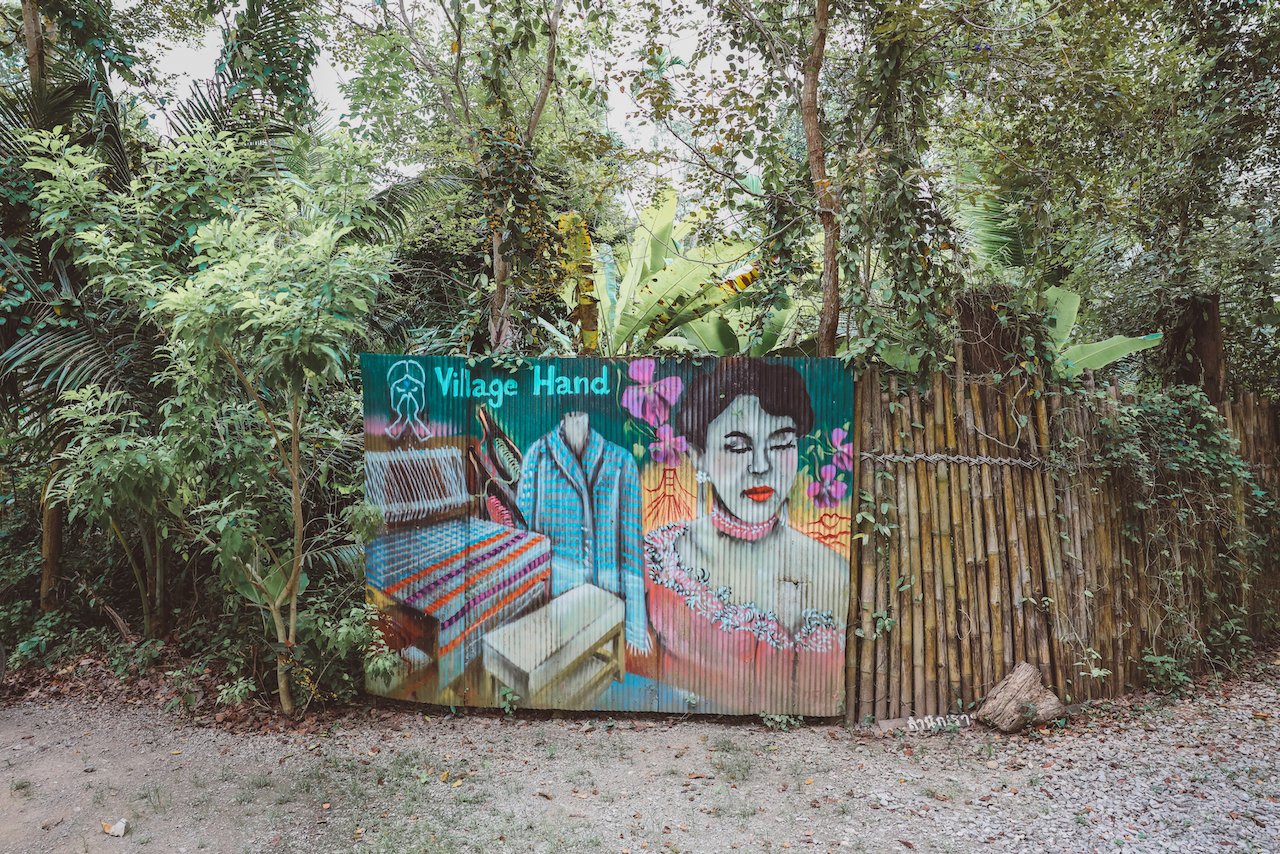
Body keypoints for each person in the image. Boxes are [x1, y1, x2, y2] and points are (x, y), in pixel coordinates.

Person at [642, 359, 849, 715]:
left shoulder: (833, 570)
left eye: (782, 444)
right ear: (698, 458)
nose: (760, 466)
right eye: (738, 448)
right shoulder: (659, 560)